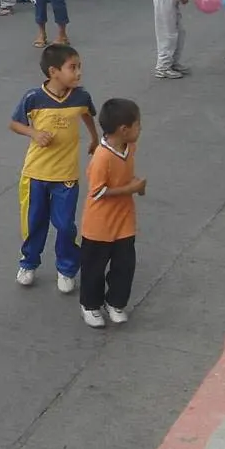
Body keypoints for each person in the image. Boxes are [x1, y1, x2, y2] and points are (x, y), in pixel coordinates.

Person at [8, 44, 99, 292]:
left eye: (79, 67)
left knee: (65, 225)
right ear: (53, 71)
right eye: (73, 67)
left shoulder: (81, 97)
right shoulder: (33, 98)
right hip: (35, 174)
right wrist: (33, 132)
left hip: (66, 176)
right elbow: (15, 124)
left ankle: (66, 269)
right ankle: (28, 263)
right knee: (34, 222)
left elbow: (87, 115)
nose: (78, 72)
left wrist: (94, 138)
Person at [79, 99, 146, 328]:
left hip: (124, 221)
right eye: (138, 125)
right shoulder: (102, 157)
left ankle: (115, 302)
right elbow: (97, 192)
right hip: (99, 225)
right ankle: (90, 305)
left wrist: (136, 184)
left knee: (125, 265)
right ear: (123, 129)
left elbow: (126, 177)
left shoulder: (129, 148)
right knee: (94, 268)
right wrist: (131, 189)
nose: (141, 129)